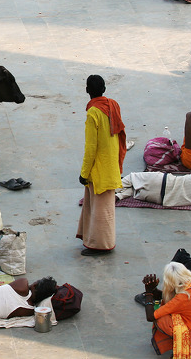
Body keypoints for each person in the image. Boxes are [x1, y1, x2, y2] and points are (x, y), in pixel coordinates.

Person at [78, 75, 125, 256]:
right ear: (104, 89)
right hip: (111, 164)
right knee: (100, 207)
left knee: (100, 210)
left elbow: (91, 147)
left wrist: (84, 172)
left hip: (99, 169)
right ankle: (92, 240)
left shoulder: (93, 113)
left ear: (87, 90)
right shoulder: (113, 105)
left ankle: (101, 245)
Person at [141, 262, 191, 359]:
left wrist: (148, 293)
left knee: (161, 319)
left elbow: (151, 316)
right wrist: (154, 289)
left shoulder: (183, 298)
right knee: (168, 311)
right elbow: (171, 301)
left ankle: (189, 347)